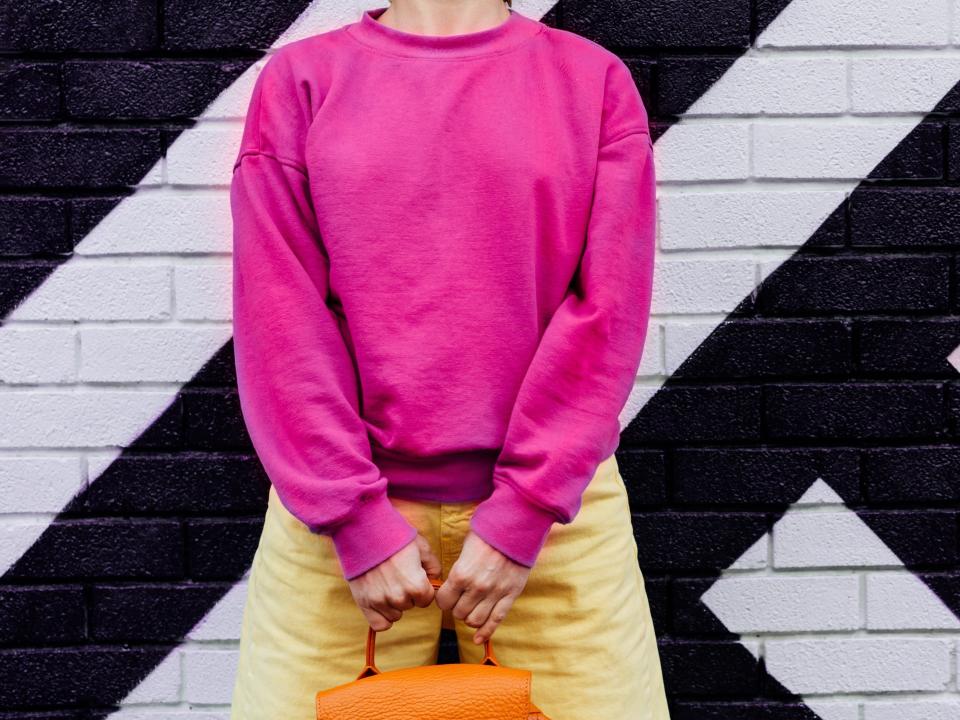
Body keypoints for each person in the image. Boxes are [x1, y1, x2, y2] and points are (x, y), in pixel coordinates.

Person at [228, 1, 669, 718]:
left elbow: (607, 314)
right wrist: (355, 521)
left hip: (556, 522)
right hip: (336, 534)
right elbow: (279, 316)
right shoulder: (304, 81)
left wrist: (523, 512)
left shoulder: (592, 83)